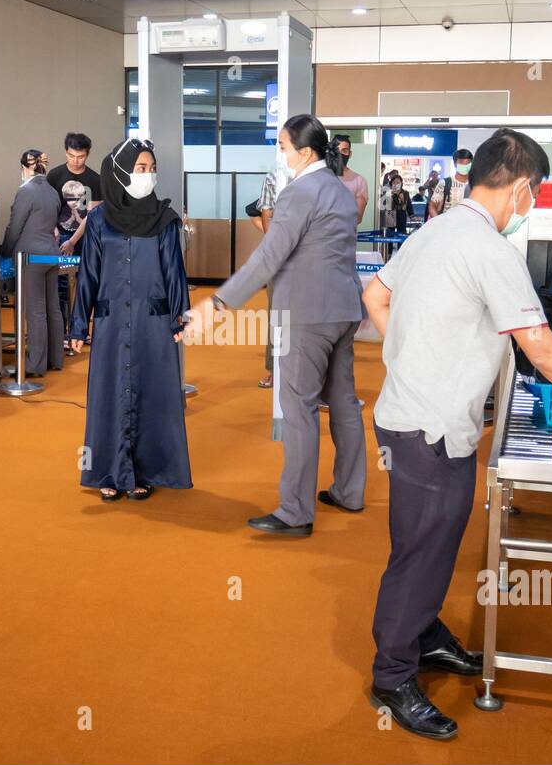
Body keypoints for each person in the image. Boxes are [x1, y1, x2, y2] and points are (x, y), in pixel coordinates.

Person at [360, 128, 552, 740]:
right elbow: (539, 345)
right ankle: (392, 671)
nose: (531, 205)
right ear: (519, 188)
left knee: (435, 538)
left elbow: (374, 295)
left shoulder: (433, 231)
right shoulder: (491, 250)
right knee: (421, 546)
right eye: (533, 193)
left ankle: (423, 631)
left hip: (417, 417)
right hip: (428, 425)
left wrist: (407, 358)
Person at [186, 114, 366, 537]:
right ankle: (349, 491)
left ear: (303, 152)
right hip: (342, 309)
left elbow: (269, 257)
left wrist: (218, 302)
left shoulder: (299, 193)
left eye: (282, 147)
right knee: (342, 401)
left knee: (299, 409)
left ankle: (295, 512)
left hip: (305, 314)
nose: (279, 154)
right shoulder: (340, 191)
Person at [69, 138, 191, 501]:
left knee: (153, 395)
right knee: (109, 394)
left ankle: (144, 470)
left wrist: (180, 319)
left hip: (152, 322)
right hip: (109, 320)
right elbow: (88, 273)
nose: (147, 175)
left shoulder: (164, 219)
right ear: (121, 171)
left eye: (151, 169)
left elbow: (175, 272)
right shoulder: (99, 220)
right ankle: (109, 470)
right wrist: (79, 324)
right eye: (140, 169)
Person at [1, 150, 64, 378]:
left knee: (35, 312)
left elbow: (14, 226)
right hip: (51, 254)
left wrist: (4, 250)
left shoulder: (25, 191)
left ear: (24, 168)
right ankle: (55, 359)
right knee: (53, 308)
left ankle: (34, 365)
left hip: (30, 257)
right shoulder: (52, 192)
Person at [47, 133, 103, 351]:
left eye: (80, 157)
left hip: (85, 237)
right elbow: (49, 206)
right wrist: (53, 228)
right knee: (60, 284)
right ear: (65, 152)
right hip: (59, 236)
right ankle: (62, 332)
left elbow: (92, 216)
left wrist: (73, 240)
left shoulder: (95, 180)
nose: (75, 160)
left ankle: (80, 330)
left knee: (86, 283)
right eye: (71, 156)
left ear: (87, 155)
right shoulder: (55, 175)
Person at [251, 158, 293, 388]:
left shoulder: (317, 177)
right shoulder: (274, 176)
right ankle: (275, 369)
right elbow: (265, 211)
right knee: (278, 315)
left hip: (311, 258)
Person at [333, 134, 369, 225]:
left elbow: (358, 217)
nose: (340, 154)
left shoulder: (359, 181)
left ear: (350, 154)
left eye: (344, 151)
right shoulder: (321, 176)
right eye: (337, 150)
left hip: (345, 236)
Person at [426, 148, 473, 218]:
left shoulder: (476, 184)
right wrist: (438, 222)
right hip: (448, 225)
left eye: (468, 162)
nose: (465, 165)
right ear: (455, 164)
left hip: (470, 225)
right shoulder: (445, 183)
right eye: (461, 162)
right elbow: (432, 206)